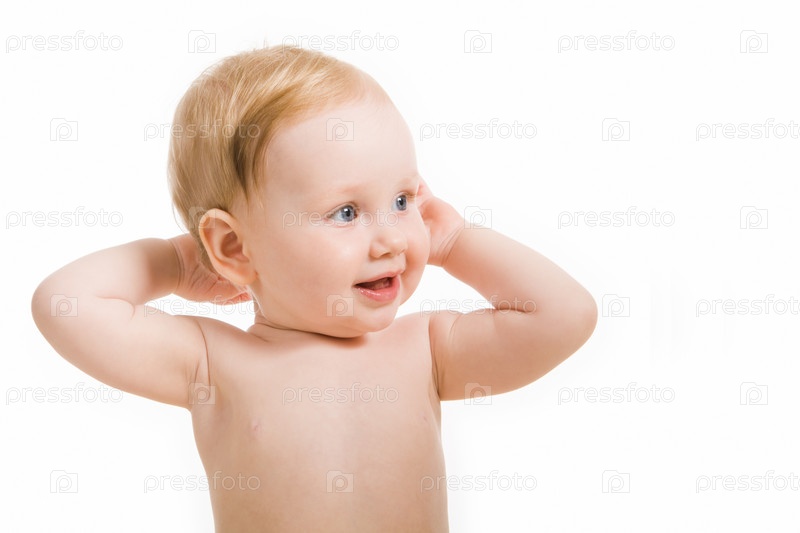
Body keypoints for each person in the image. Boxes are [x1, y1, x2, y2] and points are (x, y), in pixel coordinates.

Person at [31, 45, 597, 532]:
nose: (392, 239)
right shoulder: (213, 363)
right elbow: (66, 304)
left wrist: (454, 241)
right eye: (346, 212)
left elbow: (565, 314)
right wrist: (180, 262)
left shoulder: (426, 349)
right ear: (234, 247)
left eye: (403, 200)